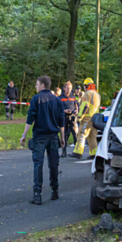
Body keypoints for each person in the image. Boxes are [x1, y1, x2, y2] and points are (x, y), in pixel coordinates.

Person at [19, 76, 65, 205]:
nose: (36, 86)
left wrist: (24, 134)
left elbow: (30, 118)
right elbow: (61, 120)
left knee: (38, 164)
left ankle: (37, 194)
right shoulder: (57, 100)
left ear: (43, 85)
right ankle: (55, 191)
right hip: (53, 136)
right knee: (54, 164)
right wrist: (62, 138)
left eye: (37, 84)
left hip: (39, 136)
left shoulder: (36, 99)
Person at [72, 78, 101, 158]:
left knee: (82, 134)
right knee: (92, 136)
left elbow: (85, 105)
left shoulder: (87, 94)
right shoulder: (97, 94)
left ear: (86, 86)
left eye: (84, 86)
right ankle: (93, 153)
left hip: (87, 118)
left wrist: (79, 116)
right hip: (95, 119)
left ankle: (78, 152)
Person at [61, 81, 79, 157]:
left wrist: (76, 110)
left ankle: (77, 151)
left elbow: (76, 106)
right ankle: (63, 152)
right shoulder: (60, 98)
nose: (69, 90)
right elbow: (57, 108)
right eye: (67, 88)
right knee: (64, 135)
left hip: (72, 117)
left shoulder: (73, 97)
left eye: (70, 88)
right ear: (64, 88)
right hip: (64, 117)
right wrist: (64, 111)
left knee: (75, 134)